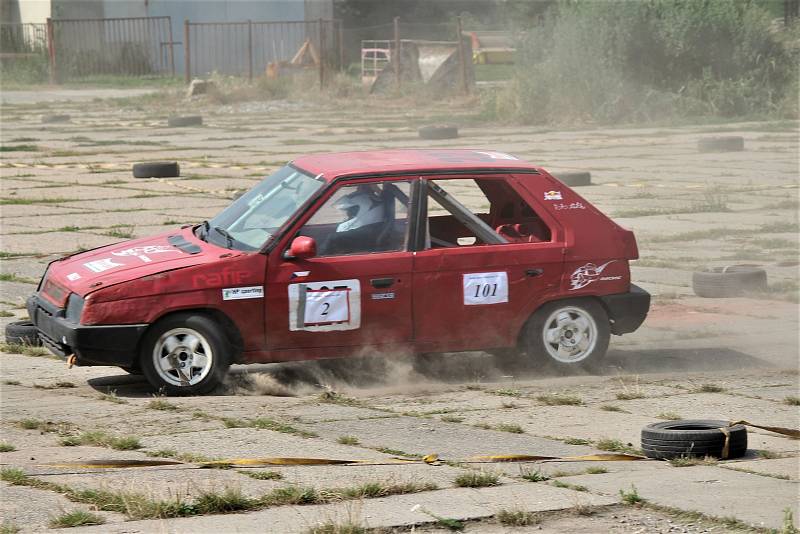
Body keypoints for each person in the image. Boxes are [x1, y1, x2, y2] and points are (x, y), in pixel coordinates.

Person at [323, 185, 387, 255]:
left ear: (366, 212)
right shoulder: (374, 228)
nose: (348, 217)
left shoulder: (335, 238)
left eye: (351, 213)